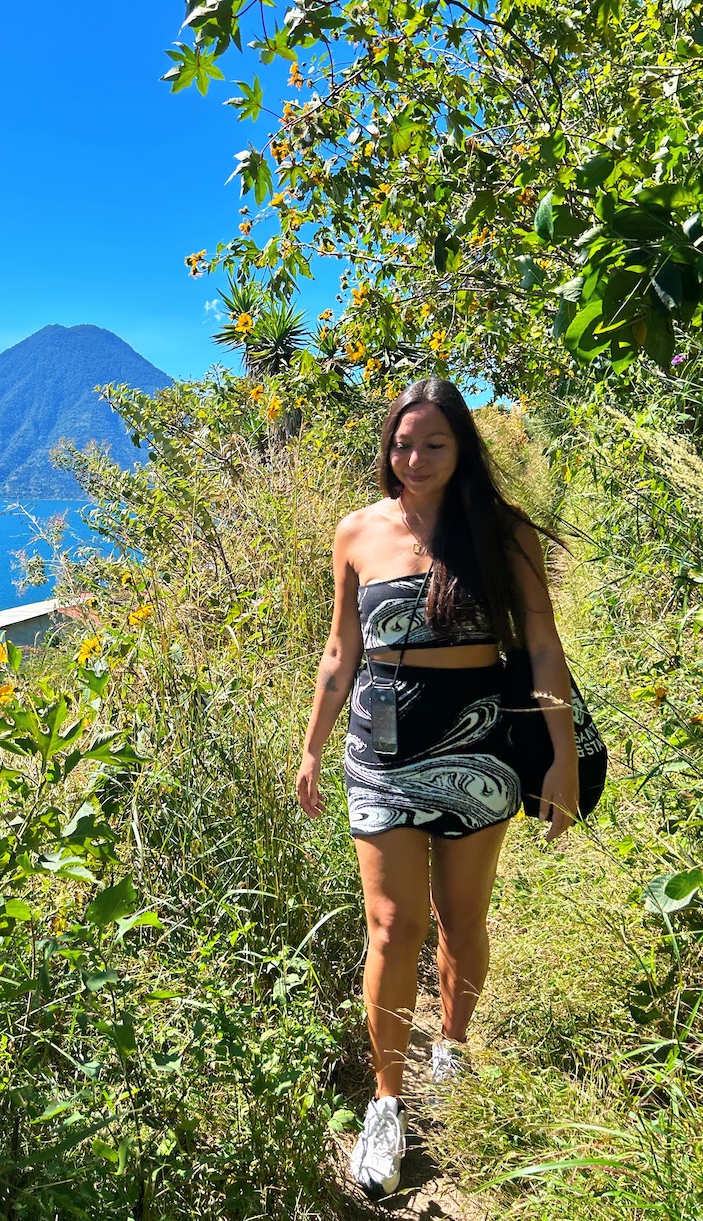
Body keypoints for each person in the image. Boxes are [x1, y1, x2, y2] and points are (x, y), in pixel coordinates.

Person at [295, 378, 579, 1198]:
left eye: (434, 445)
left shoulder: (501, 532)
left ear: (463, 451)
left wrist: (558, 754)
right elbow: (339, 651)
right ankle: (387, 1102)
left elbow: (544, 648)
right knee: (392, 923)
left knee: (463, 917)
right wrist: (311, 748)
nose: (413, 460)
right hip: (379, 749)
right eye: (402, 444)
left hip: (482, 746)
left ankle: (451, 1050)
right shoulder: (357, 531)